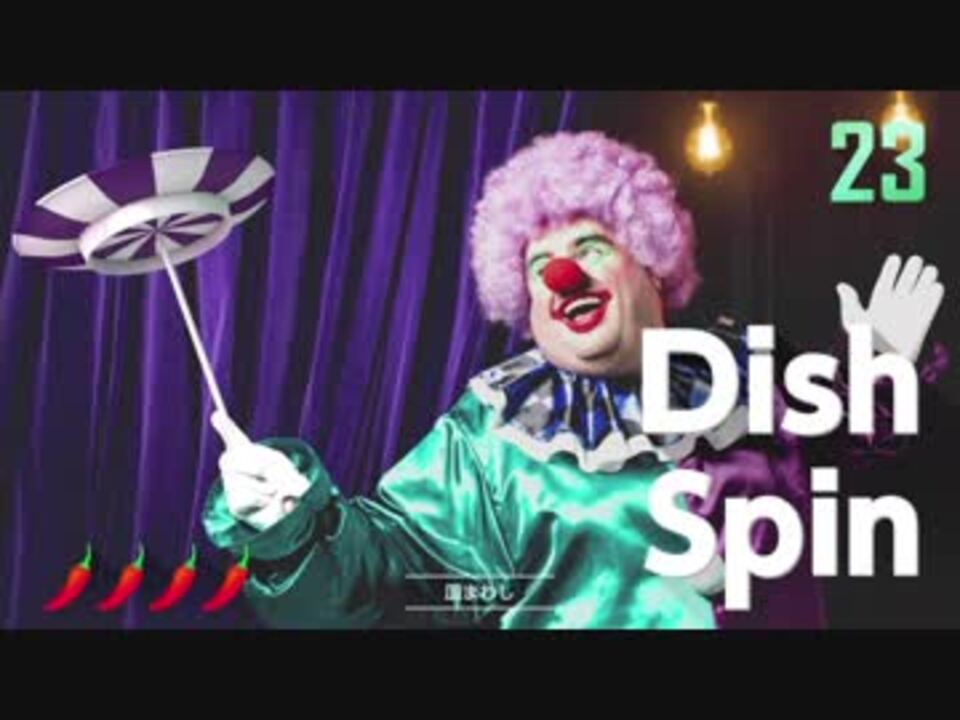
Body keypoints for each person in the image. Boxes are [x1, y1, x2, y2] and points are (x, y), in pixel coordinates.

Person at [202, 131, 945, 629]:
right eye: (538, 265)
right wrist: (292, 521)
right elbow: (387, 576)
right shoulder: (492, 434)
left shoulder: (754, 377)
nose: (562, 274)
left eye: (590, 246)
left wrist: (881, 372)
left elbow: (859, 464)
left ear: (650, 261)